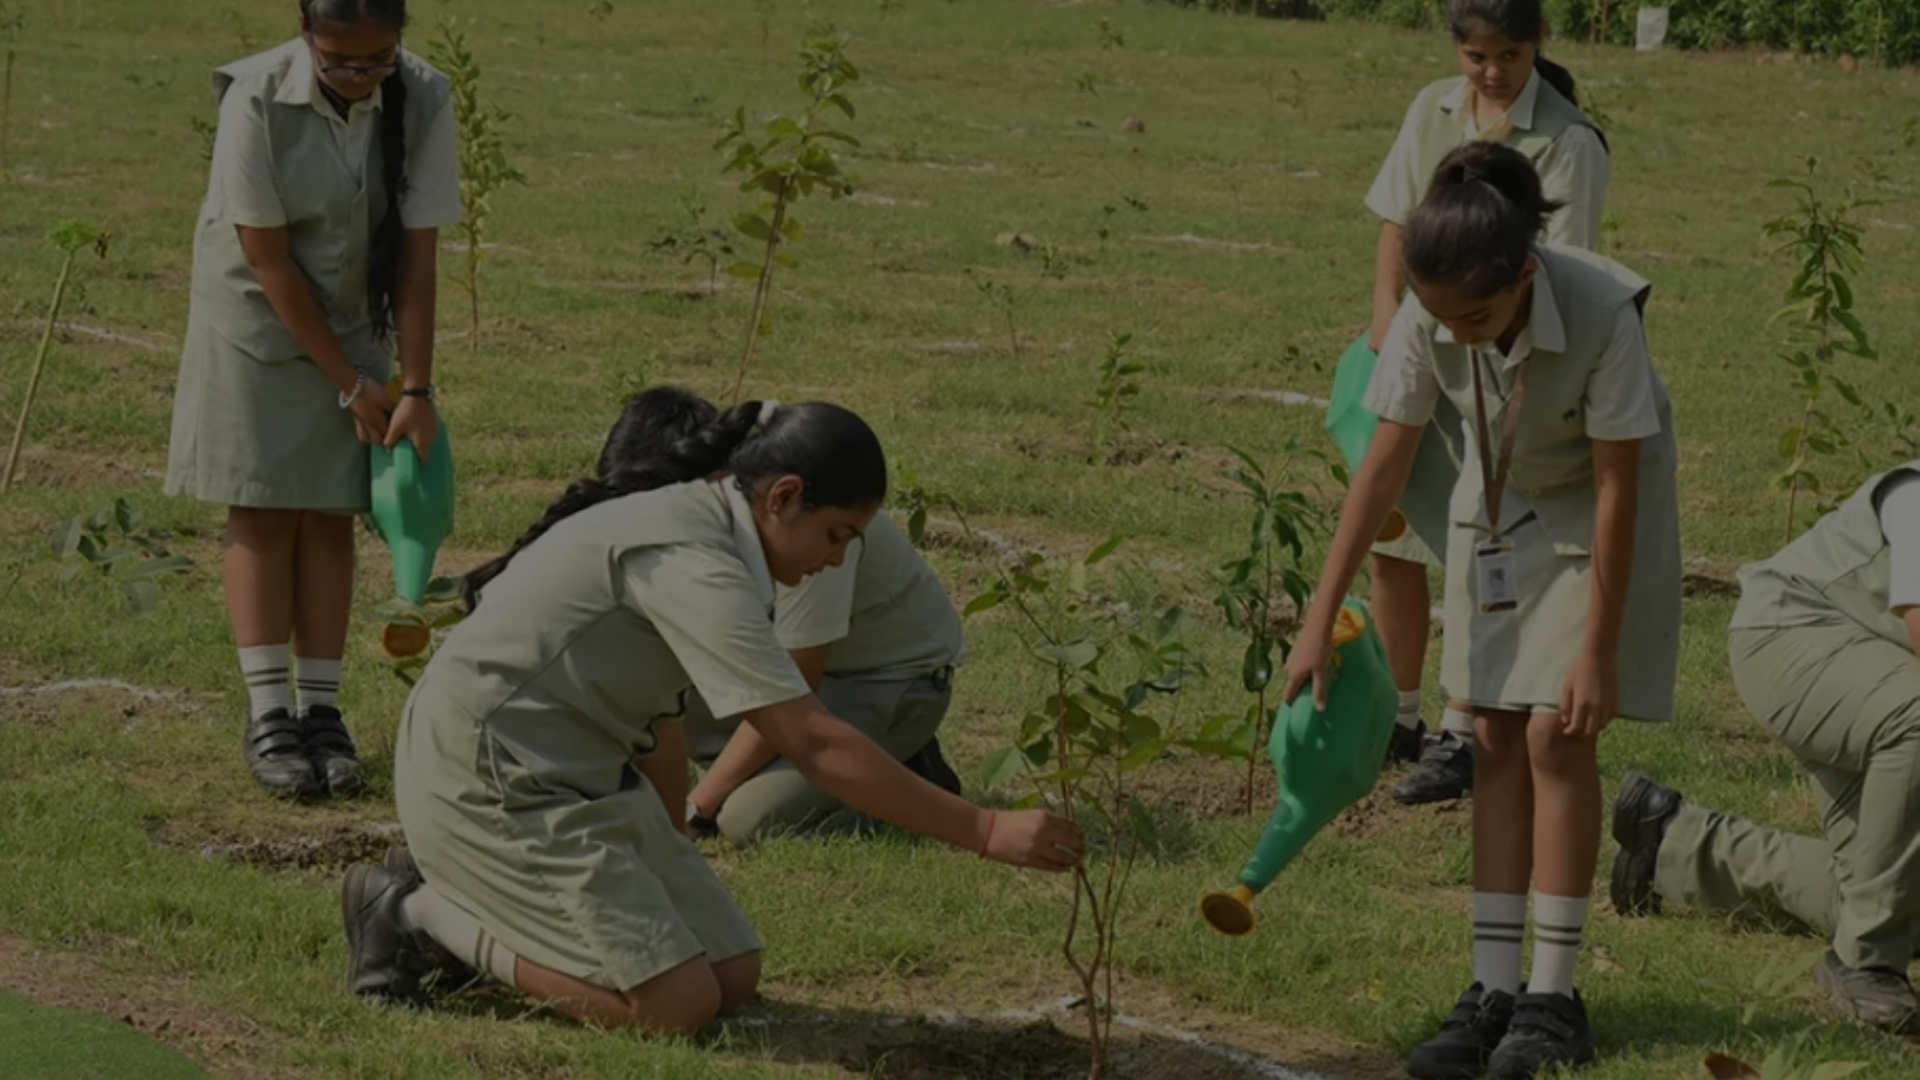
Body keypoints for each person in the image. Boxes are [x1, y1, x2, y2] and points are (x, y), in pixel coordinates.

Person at [339, 399, 1084, 1036]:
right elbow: (811, 740)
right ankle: (418, 913)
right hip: (491, 774)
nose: (837, 560)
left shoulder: (727, 538)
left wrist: (665, 846)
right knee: (674, 1007)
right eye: (838, 536)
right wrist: (984, 830)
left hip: (579, 773)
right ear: (783, 496)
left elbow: (659, 716)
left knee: (732, 971)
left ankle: (472, 900)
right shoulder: (691, 559)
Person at [1284, 142, 1679, 1078]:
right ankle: (1492, 988)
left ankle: (1554, 996)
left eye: (1479, 316)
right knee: (1491, 739)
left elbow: (1619, 487)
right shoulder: (1433, 313)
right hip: (1494, 513)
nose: (1458, 333)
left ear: (1525, 274)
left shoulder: (1601, 312)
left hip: (1593, 513)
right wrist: (1318, 613)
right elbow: (1382, 464)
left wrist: (1595, 650)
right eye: (1440, 316)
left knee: (1554, 736)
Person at [163, 0, 460, 799]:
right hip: (258, 318)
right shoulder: (255, 98)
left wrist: (416, 388)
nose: (362, 79)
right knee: (263, 505)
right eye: (340, 62)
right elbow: (268, 260)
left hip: (355, 317)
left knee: (330, 508)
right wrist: (348, 382)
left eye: (379, 61)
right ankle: (269, 716)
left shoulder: (425, 95)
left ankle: (322, 713)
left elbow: (420, 257)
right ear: (306, 37)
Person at [1349, 0, 1611, 804]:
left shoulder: (1570, 141)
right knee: (1392, 531)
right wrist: (1388, 319)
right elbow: (1397, 219)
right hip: (1423, 345)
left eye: (1509, 54)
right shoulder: (1430, 107)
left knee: (1478, 537)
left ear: (1538, 46)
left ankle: (1462, 727)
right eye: (1476, 56)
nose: (1492, 71)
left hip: (1503, 366)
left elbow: (1561, 272)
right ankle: (1398, 715)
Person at [566, 391, 970, 843]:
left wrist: (697, 807)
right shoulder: (701, 523)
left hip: (882, 681)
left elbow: (797, 686)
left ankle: (912, 778)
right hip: (788, 678)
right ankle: (831, 767)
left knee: (747, 821)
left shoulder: (812, 535)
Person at [1610, 463, 1920, 1033]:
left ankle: (1674, 841)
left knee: (1896, 890)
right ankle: (1866, 963)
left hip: (1875, 675)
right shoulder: (1916, 496)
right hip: (1790, 636)